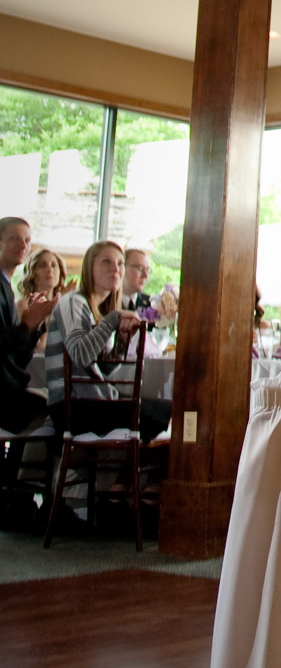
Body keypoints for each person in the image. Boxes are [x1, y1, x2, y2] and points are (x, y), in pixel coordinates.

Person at [43, 240, 172, 442]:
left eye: (120, 263)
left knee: (164, 411)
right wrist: (113, 319)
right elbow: (80, 354)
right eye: (106, 262)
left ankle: (117, 472)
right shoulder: (72, 302)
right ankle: (121, 472)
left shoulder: (98, 311)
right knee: (163, 413)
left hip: (91, 401)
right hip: (71, 406)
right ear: (89, 268)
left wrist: (121, 341)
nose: (115, 269)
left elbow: (101, 370)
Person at [1, 218, 54, 522]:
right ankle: (16, 493)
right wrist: (26, 322)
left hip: (7, 381)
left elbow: (17, 355)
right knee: (55, 409)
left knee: (52, 406)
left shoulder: (5, 286)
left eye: (27, 240)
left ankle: (14, 491)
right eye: (14, 239)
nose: (23, 246)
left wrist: (33, 327)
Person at [17, 247, 71, 350]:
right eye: (42, 265)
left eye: (53, 265)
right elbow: (38, 348)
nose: (50, 269)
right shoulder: (23, 305)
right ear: (32, 272)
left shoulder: (66, 305)